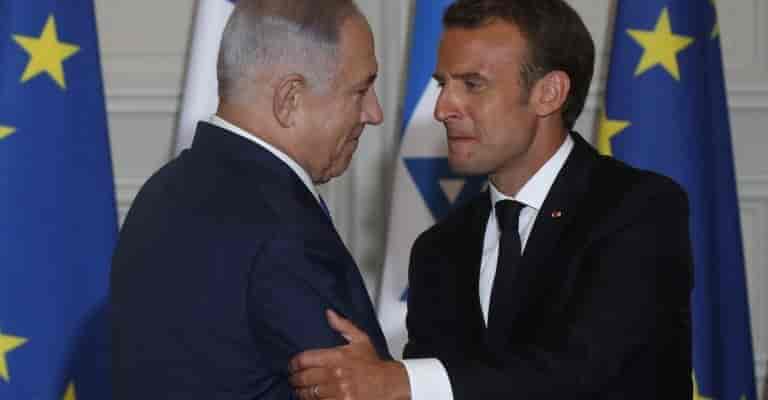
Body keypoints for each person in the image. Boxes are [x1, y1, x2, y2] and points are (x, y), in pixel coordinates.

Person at [289, 0, 693, 399]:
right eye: (442, 84)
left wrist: (400, 381)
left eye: (472, 84)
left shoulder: (638, 209)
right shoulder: (438, 250)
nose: (443, 108)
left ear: (549, 93)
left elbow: (585, 373)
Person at [109, 0, 391, 398]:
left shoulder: (161, 192)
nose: (374, 113)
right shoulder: (285, 231)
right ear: (290, 99)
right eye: (361, 90)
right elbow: (366, 390)